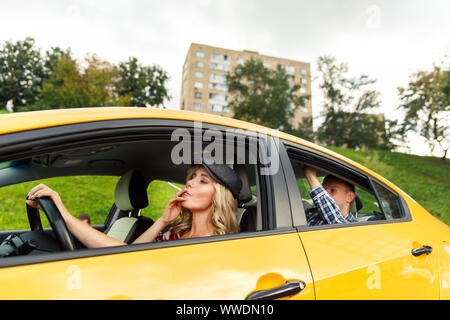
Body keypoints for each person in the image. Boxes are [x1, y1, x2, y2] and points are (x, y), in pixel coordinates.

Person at [26, 163, 241, 248]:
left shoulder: (214, 244)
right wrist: (163, 220)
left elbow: (125, 255)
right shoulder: (176, 231)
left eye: (203, 180)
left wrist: (63, 213)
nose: (189, 183)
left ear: (219, 197)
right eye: (191, 177)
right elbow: (134, 252)